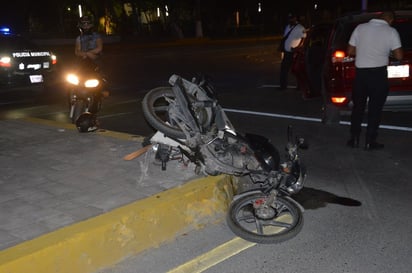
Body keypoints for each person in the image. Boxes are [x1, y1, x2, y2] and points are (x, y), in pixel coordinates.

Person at [346, 11, 403, 150]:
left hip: (361, 75)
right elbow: (399, 56)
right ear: (390, 19)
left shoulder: (360, 28)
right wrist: (386, 53)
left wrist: (365, 50)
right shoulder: (391, 31)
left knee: (358, 108)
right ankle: (370, 141)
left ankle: (354, 138)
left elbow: (350, 51)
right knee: (375, 109)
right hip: (378, 75)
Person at [278, 13, 306, 91]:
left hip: (294, 52)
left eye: (292, 18)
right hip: (287, 52)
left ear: (295, 19)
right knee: (284, 70)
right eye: (289, 18)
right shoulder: (287, 26)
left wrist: (298, 47)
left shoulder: (300, 27)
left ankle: (300, 86)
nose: (290, 20)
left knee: (297, 70)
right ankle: (283, 86)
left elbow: (304, 38)